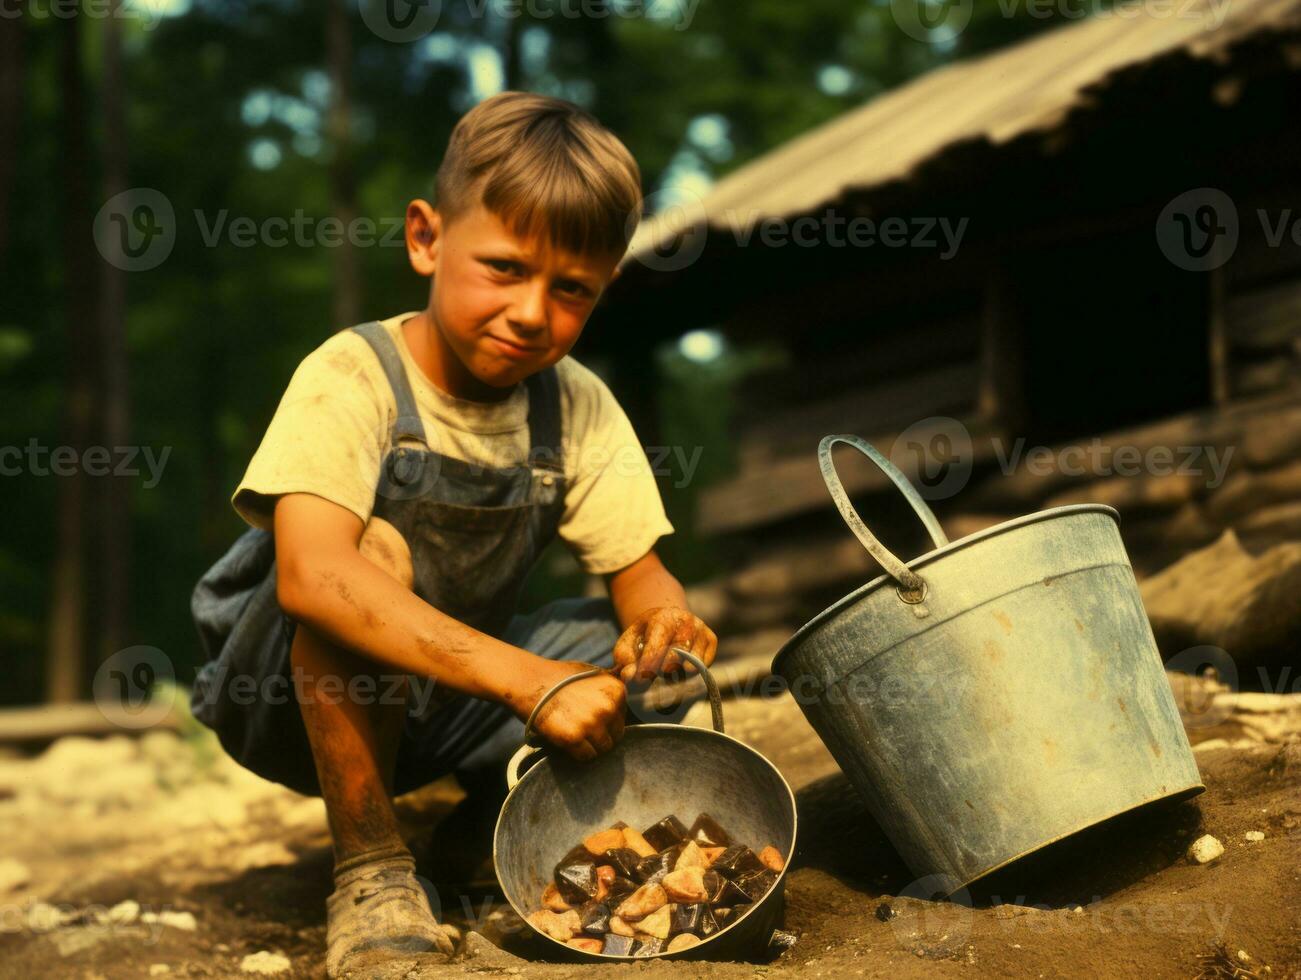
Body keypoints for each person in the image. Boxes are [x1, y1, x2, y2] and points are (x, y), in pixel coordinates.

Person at [188, 91, 718, 977]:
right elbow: (313, 579)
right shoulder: (354, 376)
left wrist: (666, 622)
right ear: (427, 239)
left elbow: (642, 575)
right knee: (372, 556)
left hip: (456, 701)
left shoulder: (574, 403)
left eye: (571, 290)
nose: (530, 313)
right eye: (505, 268)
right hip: (282, 697)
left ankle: (487, 839)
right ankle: (370, 873)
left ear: (604, 289)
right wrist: (530, 681)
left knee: (648, 672)